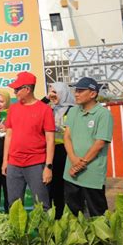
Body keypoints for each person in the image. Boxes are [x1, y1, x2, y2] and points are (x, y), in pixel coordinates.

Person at [1, 72, 55, 210]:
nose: (14, 92)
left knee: (42, 205)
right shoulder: (13, 108)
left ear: (27, 89)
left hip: (36, 164)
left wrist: (48, 167)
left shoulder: (45, 110)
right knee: (14, 206)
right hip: (14, 164)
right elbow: (9, 135)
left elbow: (50, 139)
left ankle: (45, 232)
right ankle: (18, 232)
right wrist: (5, 161)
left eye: (17, 89)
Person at [63, 77, 113, 217]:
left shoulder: (103, 114)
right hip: (71, 173)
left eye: (80, 91)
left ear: (93, 94)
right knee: (73, 213)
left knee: (97, 213)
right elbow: (67, 136)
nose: (76, 94)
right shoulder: (73, 111)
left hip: (91, 173)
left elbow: (99, 143)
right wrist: (73, 160)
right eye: (75, 90)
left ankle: (101, 240)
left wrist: (80, 164)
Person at [44, 82, 75, 219]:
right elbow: (37, 106)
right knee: (52, 186)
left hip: (65, 151)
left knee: (64, 187)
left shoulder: (73, 110)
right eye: (51, 92)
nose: (52, 96)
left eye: (55, 92)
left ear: (63, 93)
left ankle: (66, 216)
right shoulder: (50, 110)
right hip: (50, 151)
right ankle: (55, 218)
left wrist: (60, 129)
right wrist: (46, 98)